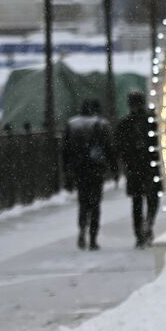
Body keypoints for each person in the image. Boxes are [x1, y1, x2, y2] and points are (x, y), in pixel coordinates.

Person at [63, 99, 112, 251]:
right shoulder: (101, 124)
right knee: (95, 204)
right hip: (96, 168)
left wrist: (67, 171)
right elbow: (109, 147)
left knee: (83, 203)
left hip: (80, 170)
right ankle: (93, 237)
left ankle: (82, 228)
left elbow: (65, 151)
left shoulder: (72, 124)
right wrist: (113, 166)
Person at [114, 91, 161, 248]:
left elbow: (118, 147)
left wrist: (125, 162)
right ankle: (148, 224)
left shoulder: (124, 124)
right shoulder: (152, 121)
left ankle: (139, 232)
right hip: (150, 166)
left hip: (133, 168)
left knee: (137, 202)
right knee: (152, 199)